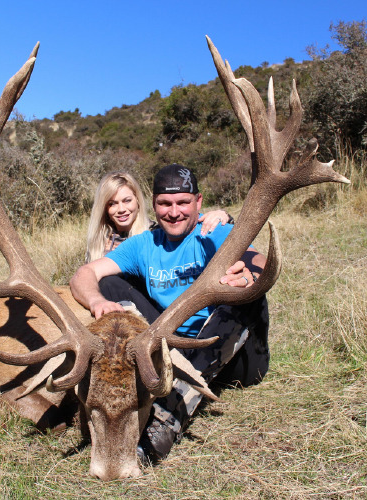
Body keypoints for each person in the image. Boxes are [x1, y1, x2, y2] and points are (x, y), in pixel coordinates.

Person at [70, 164, 269, 463]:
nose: (174, 212)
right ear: (154, 205)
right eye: (165, 204)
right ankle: (144, 380)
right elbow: (84, 274)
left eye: (183, 203)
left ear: (198, 202)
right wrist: (96, 300)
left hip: (235, 360)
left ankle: (168, 415)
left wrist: (249, 276)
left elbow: (260, 262)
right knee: (110, 283)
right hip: (176, 352)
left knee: (246, 294)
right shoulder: (143, 244)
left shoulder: (214, 233)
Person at [85, 171, 233, 262]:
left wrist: (223, 215)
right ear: (104, 208)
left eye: (127, 201)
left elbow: (190, 225)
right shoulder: (98, 241)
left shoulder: (155, 233)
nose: (121, 209)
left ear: (137, 200)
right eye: (112, 204)